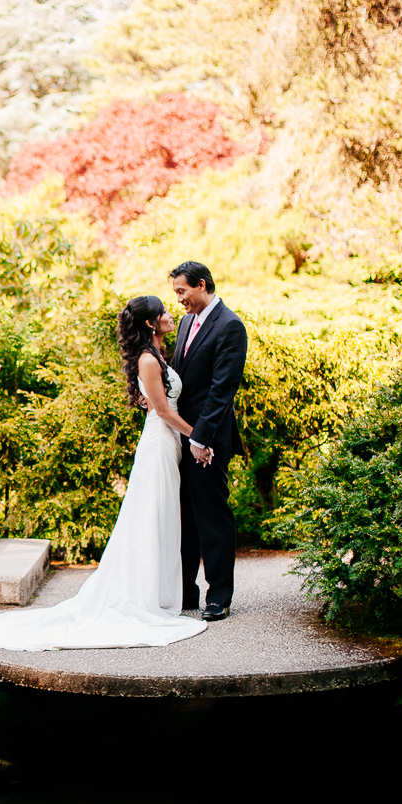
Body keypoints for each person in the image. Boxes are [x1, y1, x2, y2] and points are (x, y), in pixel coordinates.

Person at [0, 293, 207, 651]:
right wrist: (198, 437)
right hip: (159, 443)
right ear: (151, 323)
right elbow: (164, 411)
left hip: (166, 444)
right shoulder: (149, 360)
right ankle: (142, 596)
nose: (170, 314)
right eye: (163, 312)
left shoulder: (157, 356)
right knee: (150, 516)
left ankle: (159, 592)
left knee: (161, 516)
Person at [168, 261, 247, 621]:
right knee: (184, 517)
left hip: (208, 441)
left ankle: (219, 597)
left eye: (183, 292)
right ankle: (186, 592)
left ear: (202, 285)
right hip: (181, 435)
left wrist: (200, 439)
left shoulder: (230, 326)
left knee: (212, 517)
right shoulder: (186, 323)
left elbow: (222, 390)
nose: (179, 300)